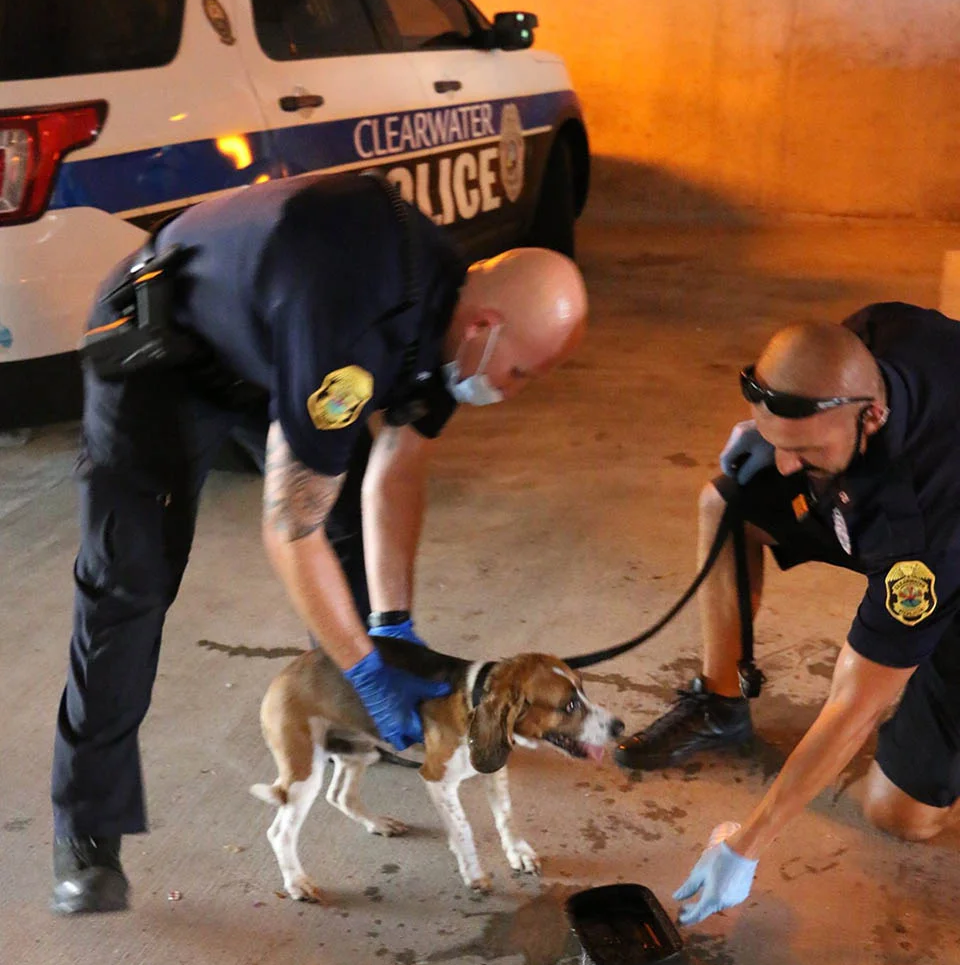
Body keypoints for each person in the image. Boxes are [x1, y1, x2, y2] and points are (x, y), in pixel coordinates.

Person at [51, 170, 588, 914]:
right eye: (521, 372)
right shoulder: (353, 327)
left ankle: (370, 716)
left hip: (268, 342)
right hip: (160, 346)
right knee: (130, 580)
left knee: (347, 519)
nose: (515, 389)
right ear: (484, 324)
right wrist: (367, 668)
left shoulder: (442, 307)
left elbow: (398, 467)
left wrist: (391, 631)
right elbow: (289, 528)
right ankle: (87, 829)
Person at [616, 303, 960, 924]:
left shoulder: (919, 523)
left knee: (899, 815)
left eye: (800, 448)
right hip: (873, 487)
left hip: (942, 545)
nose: (783, 464)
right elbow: (807, 377)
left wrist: (746, 845)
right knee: (727, 503)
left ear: (872, 415)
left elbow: (858, 699)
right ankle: (720, 706)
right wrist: (764, 435)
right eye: (777, 440)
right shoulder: (872, 337)